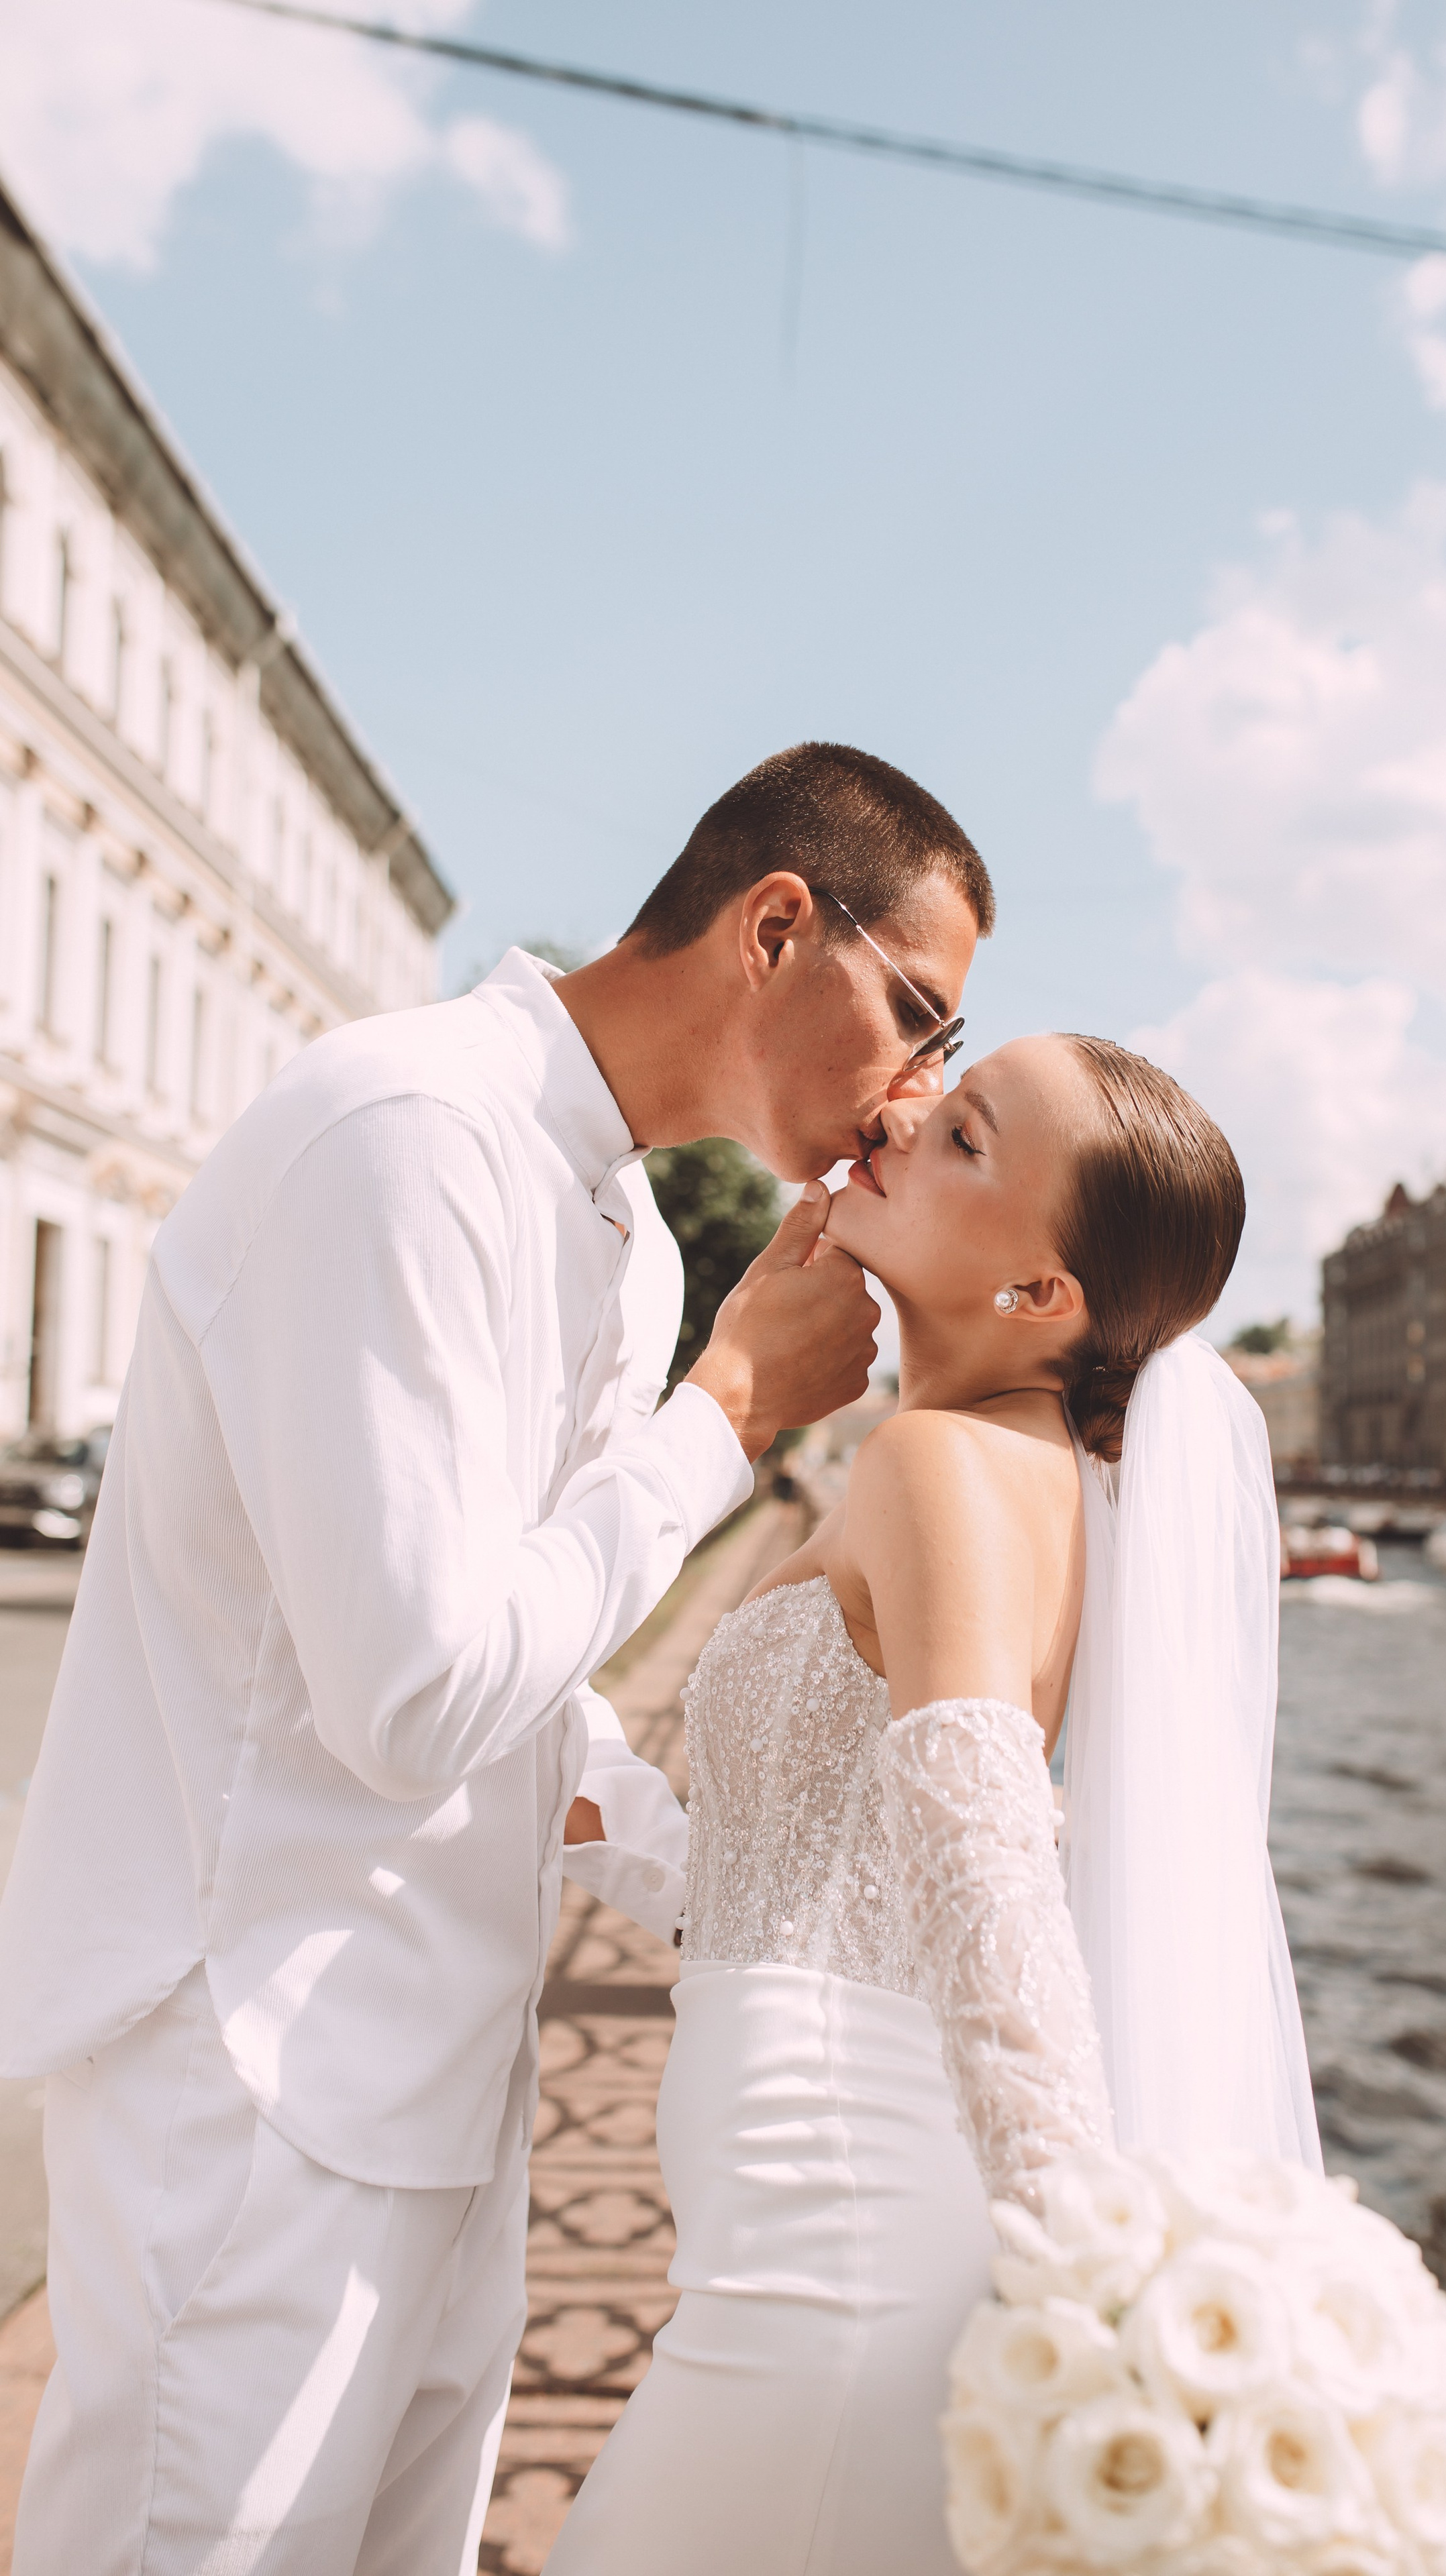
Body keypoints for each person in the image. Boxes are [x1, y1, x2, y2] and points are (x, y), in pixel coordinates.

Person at [0, 741, 993, 2576]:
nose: (918, 1087)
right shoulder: (405, 1133)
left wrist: (727, 1886)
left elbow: (521, 1671)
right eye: (918, 1011)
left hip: (444, 2062)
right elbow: (413, 1698)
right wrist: (730, 1415)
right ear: (781, 923)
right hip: (261, 2058)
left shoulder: (611, 1226)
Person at [548, 1033, 1320, 2575]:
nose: (897, 1114)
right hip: (810, 2197)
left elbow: (989, 1879)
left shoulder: (936, 1467)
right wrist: (591, 1794)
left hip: (826, 2229)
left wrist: (1089, 2299)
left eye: (962, 1135)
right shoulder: (1029, 1478)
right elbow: (832, 1869)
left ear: (1040, 1296)